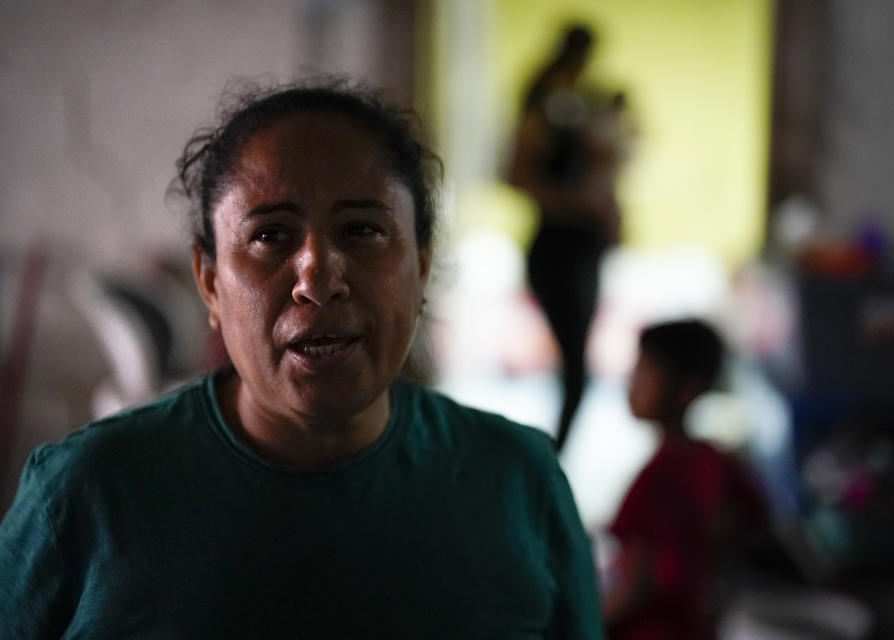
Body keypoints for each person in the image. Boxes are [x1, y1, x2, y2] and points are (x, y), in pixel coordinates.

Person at [0, 80, 603, 638]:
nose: (318, 277)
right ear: (210, 283)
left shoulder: (520, 481)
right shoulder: (86, 493)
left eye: (362, 230)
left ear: (421, 268)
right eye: (269, 235)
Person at [602, 320, 767, 640]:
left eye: (645, 372)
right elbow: (755, 519)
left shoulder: (656, 478)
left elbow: (633, 589)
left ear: (686, 391)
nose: (631, 382)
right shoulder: (716, 459)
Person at [508, 24, 630, 451]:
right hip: (560, 248)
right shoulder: (546, 102)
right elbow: (519, 174)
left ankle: (554, 457)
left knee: (578, 370)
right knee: (576, 370)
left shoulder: (574, 101)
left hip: (580, 246)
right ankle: (551, 460)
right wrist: (579, 204)